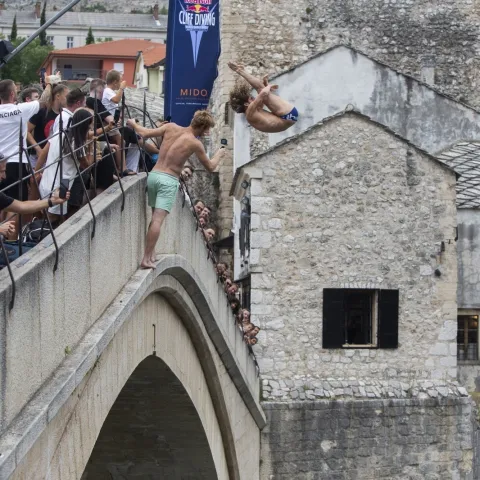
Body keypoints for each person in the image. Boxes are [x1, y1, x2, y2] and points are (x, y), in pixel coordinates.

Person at [127, 110, 226, 269]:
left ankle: (151, 254)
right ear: (203, 128)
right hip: (168, 179)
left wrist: (133, 123)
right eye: (207, 129)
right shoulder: (195, 143)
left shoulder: (170, 127)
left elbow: (144, 133)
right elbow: (210, 166)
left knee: (154, 219)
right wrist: (220, 154)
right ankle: (146, 258)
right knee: (158, 220)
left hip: (154, 175)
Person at [0, 79, 51, 238]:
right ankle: (11, 243)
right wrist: (50, 83)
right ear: (12, 94)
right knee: (14, 206)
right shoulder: (20, 109)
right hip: (15, 162)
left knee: (3, 204)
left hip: (1, 163)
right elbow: (43, 101)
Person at [39, 108, 100, 221]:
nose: (90, 129)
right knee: (54, 221)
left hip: (47, 181)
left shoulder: (59, 133)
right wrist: (91, 147)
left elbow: (43, 152)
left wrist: (36, 171)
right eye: (89, 126)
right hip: (60, 187)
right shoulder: (76, 144)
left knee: (46, 217)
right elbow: (87, 165)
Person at [228, 61, 299, 133]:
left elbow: (264, 98)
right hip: (287, 116)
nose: (254, 99)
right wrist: (269, 86)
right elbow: (263, 93)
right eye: (251, 98)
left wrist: (265, 85)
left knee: (261, 91)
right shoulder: (250, 112)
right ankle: (240, 71)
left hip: (288, 118)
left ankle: (241, 71)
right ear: (246, 104)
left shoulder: (253, 113)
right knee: (261, 90)